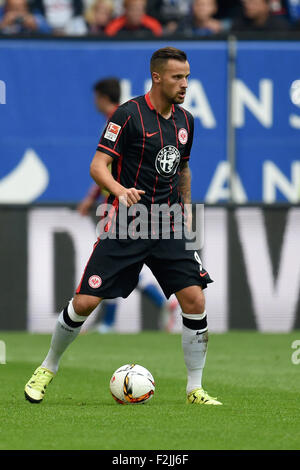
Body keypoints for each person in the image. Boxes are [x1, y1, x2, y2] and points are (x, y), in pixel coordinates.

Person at [24, 46, 222, 406]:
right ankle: (47, 367)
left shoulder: (185, 121)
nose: (184, 84)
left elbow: (183, 168)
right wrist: (119, 190)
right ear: (157, 77)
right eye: (178, 77)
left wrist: (188, 209)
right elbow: (98, 166)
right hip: (127, 222)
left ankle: (195, 388)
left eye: (188, 77)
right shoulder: (128, 115)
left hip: (168, 223)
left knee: (194, 298)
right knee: (84, 302)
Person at [78, 77, 179, 333]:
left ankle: (113, 322)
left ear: (101, 97)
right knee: (119, 264)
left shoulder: (121, 118)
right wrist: (92, 198)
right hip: (122, 203)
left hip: (122, 205)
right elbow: (108, 166)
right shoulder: (129, 116)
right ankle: (117, 319)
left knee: (112, 263)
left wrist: (95, 198)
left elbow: (108, 167)